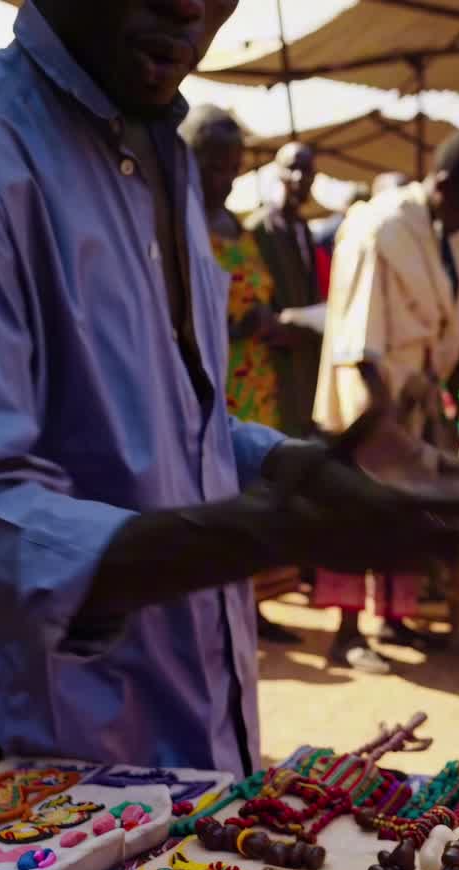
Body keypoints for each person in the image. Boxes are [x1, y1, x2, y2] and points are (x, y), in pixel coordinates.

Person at [0, 2, 459, 783]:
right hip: (55, 781)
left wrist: (294, 468)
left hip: (202, 740)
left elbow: (181, 417)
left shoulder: (164, 160)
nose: (190, 5)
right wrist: (275, 531)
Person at [314, 131, 459, 659]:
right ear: (444, 186)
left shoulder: (448, 231)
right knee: (356, 507)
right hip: (372, 396)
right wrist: (381, 415)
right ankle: (347, 634)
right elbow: (361, 328)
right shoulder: (383, 227)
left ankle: (393, 619)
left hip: (415, 392)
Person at [180, 102, 301, 645]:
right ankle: (208, 608)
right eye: (213, 165)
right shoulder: (174, 220)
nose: (224, 178)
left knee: (251, 494)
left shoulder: (238, 226)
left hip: (253, 382)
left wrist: (271, 325)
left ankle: (250, 604)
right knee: (205, 495)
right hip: (204, 381)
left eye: (232, 167)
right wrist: (235, 322)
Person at [247, 142, 323, 437]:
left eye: (307, 171)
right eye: (292, 169)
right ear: (277, 173)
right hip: (275, 359)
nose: (300, 178)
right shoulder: (259, 228)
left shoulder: (303, 228)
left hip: (306, 355)